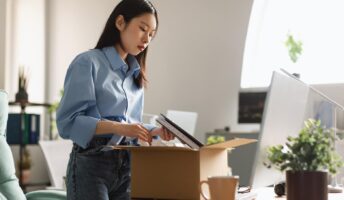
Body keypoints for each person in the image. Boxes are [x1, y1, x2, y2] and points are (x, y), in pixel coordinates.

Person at [56, 0, 174, 199]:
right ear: (120, 22)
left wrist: (155, 131)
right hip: (92, 164)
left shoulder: (135, 74)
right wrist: (119, 128)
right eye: (143, 29)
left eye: (152, 35)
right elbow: (67, 123)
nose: (147, 39)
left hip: (126, 166)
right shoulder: (88, 62)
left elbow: (130, 124)